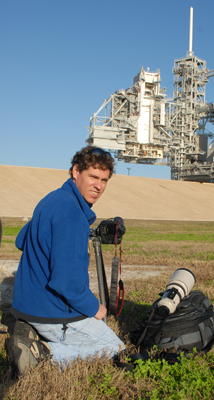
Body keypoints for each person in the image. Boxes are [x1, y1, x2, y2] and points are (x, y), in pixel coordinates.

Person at [7, 146, 124, 375]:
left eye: (104, 180)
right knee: (115, 348)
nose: (98, 186)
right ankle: (42, 353)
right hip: (51, 311)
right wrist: (93, 307)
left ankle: (30, 331)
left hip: (27, 305)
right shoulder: (71, 212)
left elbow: (22, 239)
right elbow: (65, 282)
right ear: (76, 171)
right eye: (92, 177)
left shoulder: (54, 198)